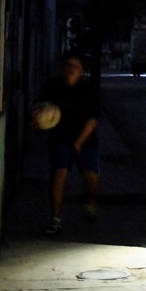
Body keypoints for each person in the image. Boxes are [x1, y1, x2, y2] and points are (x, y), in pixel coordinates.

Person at [38, 50, 100, 235]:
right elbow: (39, 108)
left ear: (81, 70)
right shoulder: (53, 87)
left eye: (76, 66)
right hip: (60, 138)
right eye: (69, 65)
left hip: (86, 139)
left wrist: (79, 142)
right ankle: (55, 219)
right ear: (63, 68)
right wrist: (37, 121)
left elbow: (92, 119)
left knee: (91, 177)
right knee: (59, 174)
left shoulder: (88, 90)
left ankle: (90, 202)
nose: (72, 69)